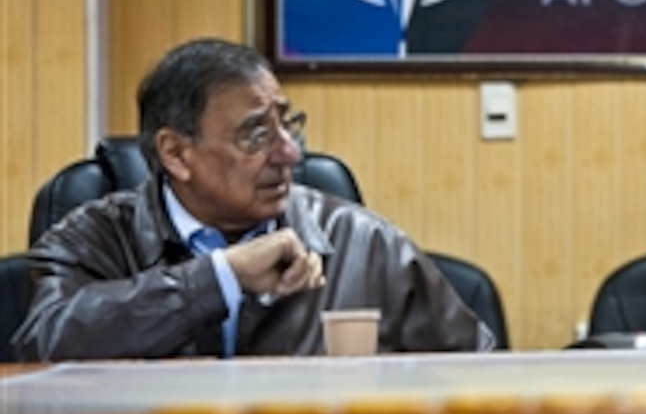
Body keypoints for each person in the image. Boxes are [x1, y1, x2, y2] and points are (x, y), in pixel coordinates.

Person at [14, 38, 495, 360]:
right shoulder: (92, 240)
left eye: (288, 124)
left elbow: (482, 377)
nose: (290, 152)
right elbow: (43, 346)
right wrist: (221, 277)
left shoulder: (362, 244)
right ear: (177, 153)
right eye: (256, 134)